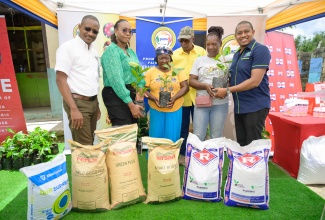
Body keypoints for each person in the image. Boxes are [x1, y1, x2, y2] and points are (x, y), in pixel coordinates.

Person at [214, 20, 271, 146]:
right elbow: (235, 77)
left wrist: (227, 91)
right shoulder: (237, 54)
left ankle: (258, 166)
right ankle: (243, 166)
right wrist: (222, 86)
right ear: (236, 36)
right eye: (239, 33)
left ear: (253, 32)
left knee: (253, 146)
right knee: (242, 144)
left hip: (255, 106)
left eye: (246, 32)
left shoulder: (260, 50)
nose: (243, 35)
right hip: (240, 106)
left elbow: (254, 82)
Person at [55, 15, 101, 145]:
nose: (90, 33)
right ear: (80, 27)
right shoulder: (68, 48)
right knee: (84, 147)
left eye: (95, 31)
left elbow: (91, 80)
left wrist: (95, 105)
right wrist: (74, 108)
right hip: (78, 103)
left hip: (92, 102)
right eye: (87, 29)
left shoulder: (93, 51)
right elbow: (60, 80)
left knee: (89, 142)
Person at [172, 26, 206, 164]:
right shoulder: (174, 55)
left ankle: (199, 154)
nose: (184, 43)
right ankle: (182, 155)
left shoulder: (201, 52)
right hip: (182, 97)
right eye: (181, 41)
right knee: (183, 127)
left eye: (186, 40)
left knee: (200, 127)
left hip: (200, 96)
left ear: (193, 39)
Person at [101, 19, 144, 126]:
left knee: (133, 130)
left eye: (130, 31)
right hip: (115, 95)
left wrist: (140, 91)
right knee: (124, 133)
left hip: (130, 94)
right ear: (115, 31)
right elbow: (116, 81)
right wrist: (131, 104)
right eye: (124, 30)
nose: (128, 34)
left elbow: (139, 74)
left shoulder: (130, 51)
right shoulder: (112, 51)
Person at [189, 26, 229, 141]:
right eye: (208, 44)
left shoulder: (227, 60)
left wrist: (225, 90)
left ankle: (215, 159)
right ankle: (198, 159)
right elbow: (191, 81)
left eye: (214, 44)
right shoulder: (199, 60)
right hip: (202, 103)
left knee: (216, 137)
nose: (210, 47)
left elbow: (232, 81)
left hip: (220, 104)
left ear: (220, 44)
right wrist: (205, 86)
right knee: (198, 135)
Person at [145, 46, 189, 142]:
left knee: (172, 136)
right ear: (156, 59)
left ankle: (170, 157)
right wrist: (153, 99)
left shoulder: (177, 71)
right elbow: (143, 89)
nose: (164, 60)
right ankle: (155, 157)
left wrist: (174, 98)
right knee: (155, 136)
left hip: (175, 108)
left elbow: (185, 87)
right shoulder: (150, 72)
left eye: (166, 58)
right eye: (161, 58)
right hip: (156, 108)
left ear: (171, 59)